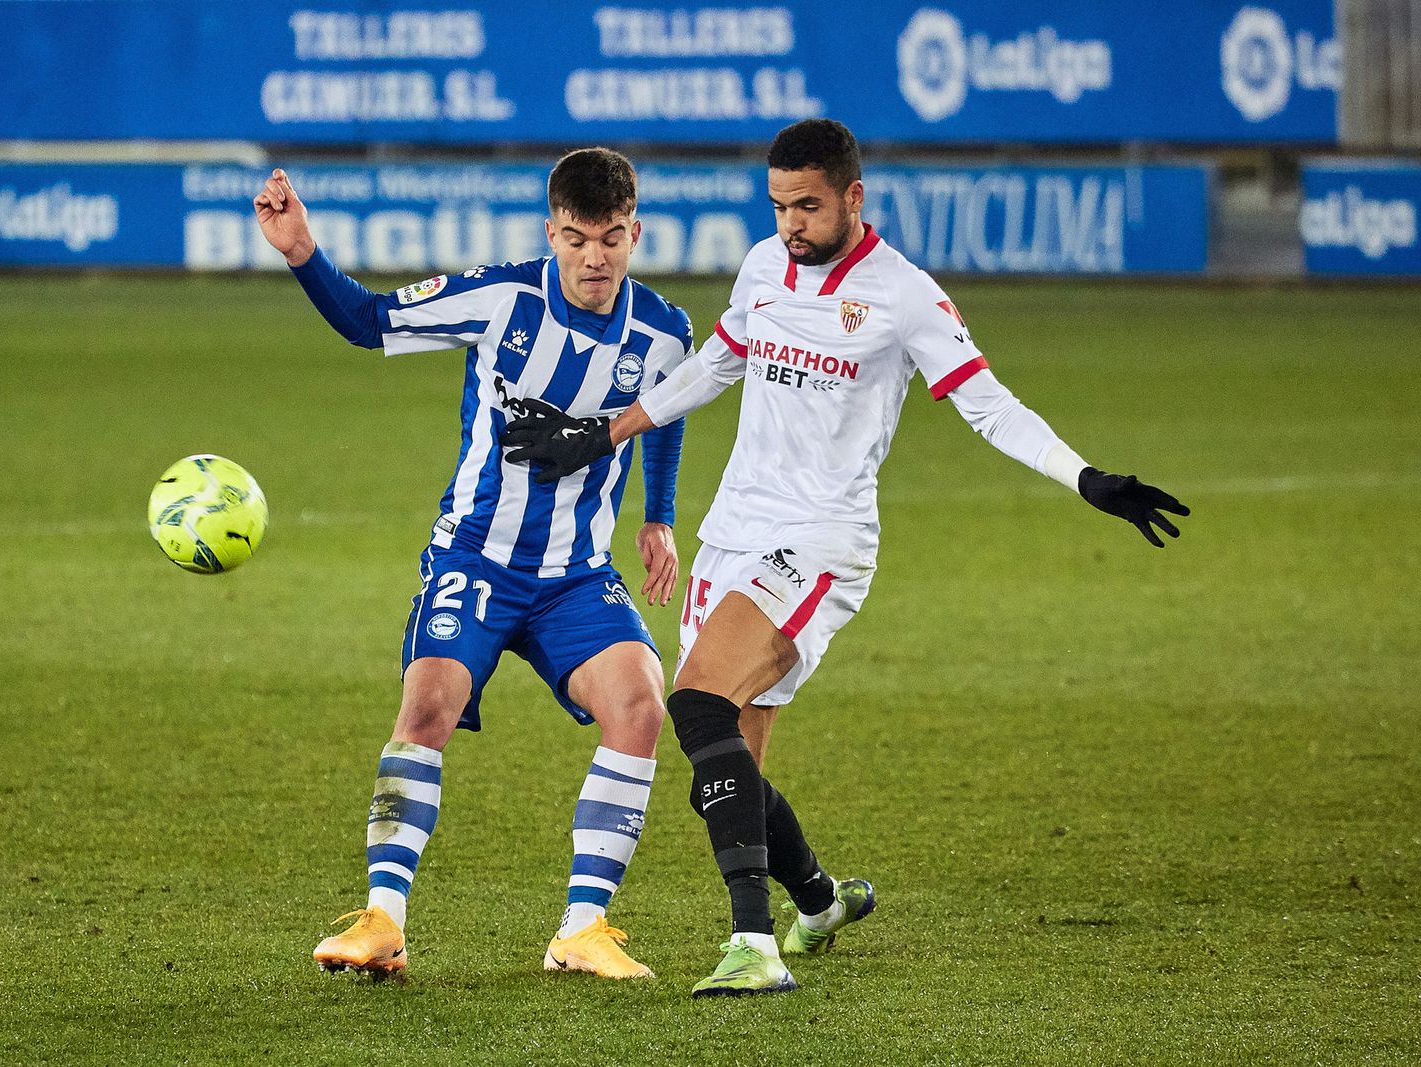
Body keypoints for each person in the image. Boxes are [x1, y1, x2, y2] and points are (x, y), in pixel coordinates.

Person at [501, 119, 1190, 997]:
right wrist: (603, 434)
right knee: (726, 772)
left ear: (853, 198)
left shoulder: (903, 296)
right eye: (780, 204)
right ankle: (819, 901)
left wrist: (1083, 475)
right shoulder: (763, 266)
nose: (791, 222)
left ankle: (754, 946)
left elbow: (987, 404)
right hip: (735, 532)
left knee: (698, 702)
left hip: (821, 542)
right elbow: (714, 365)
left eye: (809, 205)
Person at [253, 149, 694, 980]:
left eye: (609, 239)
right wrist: (302, 252)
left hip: (575, 573)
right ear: (549, 233)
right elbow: (369, 320)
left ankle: (582, 928)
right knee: (429, 705)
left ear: (636, 232)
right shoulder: (502, 297)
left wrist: (659, 516)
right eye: (574, 239)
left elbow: (666, 409)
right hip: (477, 558)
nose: (592, 258)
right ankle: (383, 920)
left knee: (640, 704)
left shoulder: (664, 330)